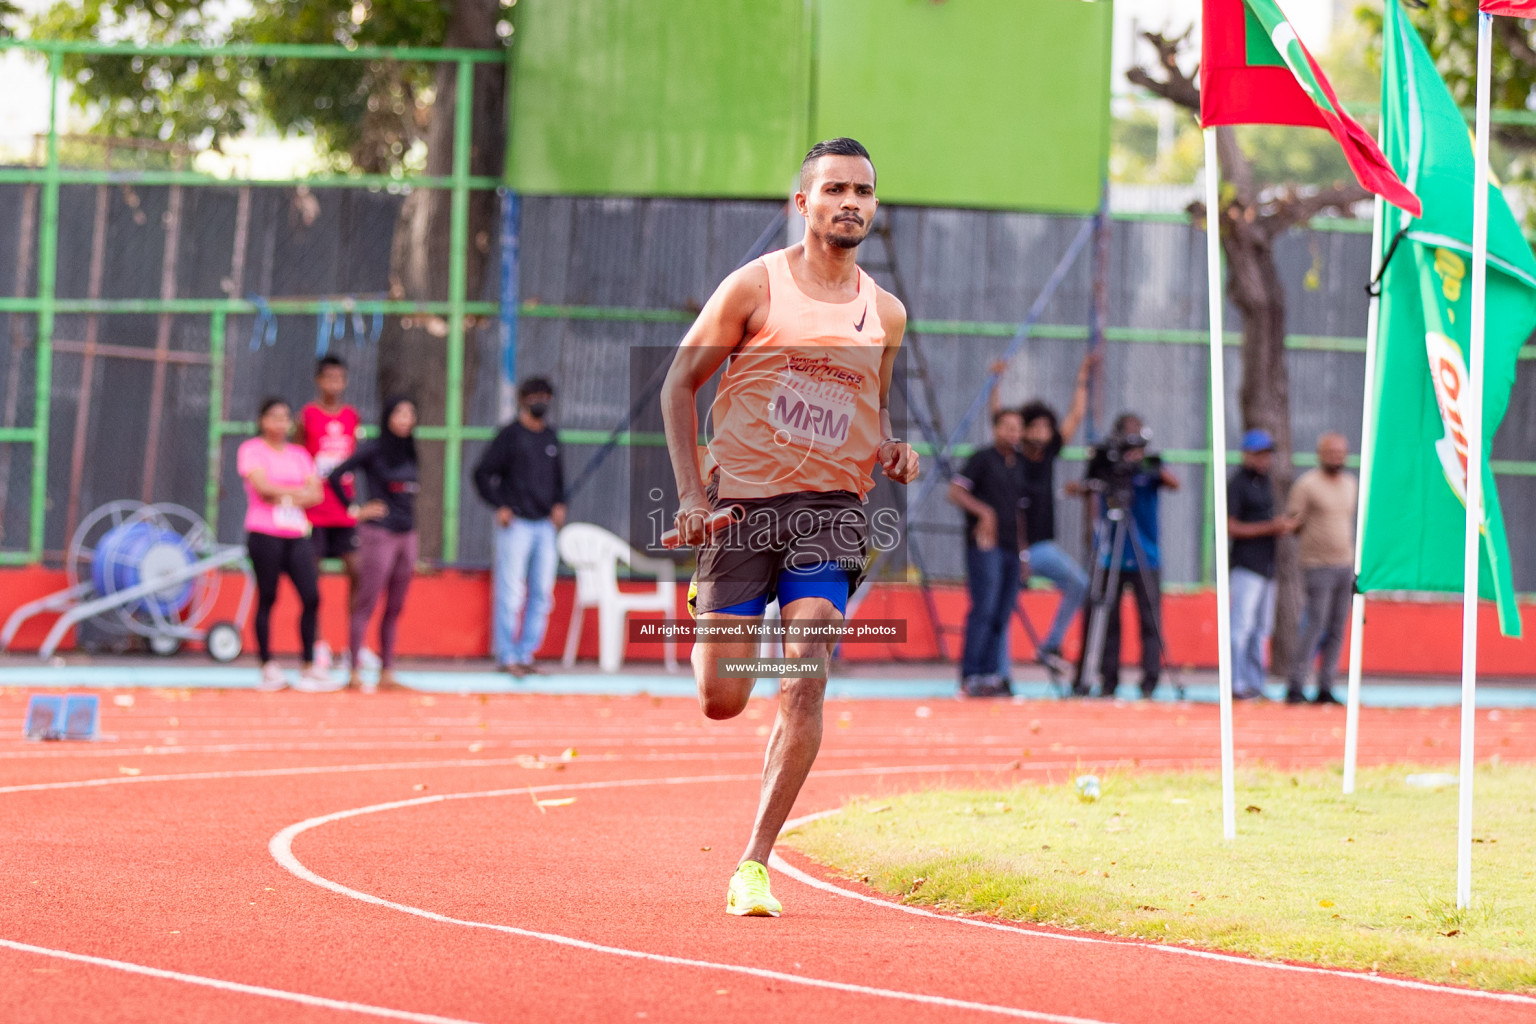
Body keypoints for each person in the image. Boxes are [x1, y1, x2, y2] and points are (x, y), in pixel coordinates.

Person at [660, 138, 918, 917]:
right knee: (721, 698)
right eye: (835, 188)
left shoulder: (887, 314)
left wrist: (893, 450)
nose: (851, 202)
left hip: (830, 514)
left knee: (806, 661)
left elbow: (868, 412)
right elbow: (678, 384)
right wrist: (690, 500)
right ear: (801, 203)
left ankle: (754, 863)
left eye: (864, 191)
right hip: (740, 510)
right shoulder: (755, 287)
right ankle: (718, 617)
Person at [986, 351, 1098, 676]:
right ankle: (1001, 675)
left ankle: (1051, 643)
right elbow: (997, 415)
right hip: (1014, 546)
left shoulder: (1049, 455)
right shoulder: (1013, 455)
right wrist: (996, 383)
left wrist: (1082, 378)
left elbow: (1076, 415)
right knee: (1003, 611)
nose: (1041, 432)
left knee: (1079, 583)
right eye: (1034, 427)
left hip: (1042, 547)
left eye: (1046, 427)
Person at [238, 398, 334, 692]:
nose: (280, 423)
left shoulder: (299, 454)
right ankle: (267, 664)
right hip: (264, 531)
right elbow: (262, 489)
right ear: (262, 421)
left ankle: (308, 664)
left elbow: (317, 493)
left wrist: (287, 497)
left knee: (311, 596)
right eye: (274, 417)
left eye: (285, 417)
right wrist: (296, 492)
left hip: (296, 532)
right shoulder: (251, 450)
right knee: (268, 596)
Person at [474, 378, 567, 676]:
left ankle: (526, 653)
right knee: (511, 591)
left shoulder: (551, 436)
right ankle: (507, 656)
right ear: (522, 399)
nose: (541, 401)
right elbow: (482, 473)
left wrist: (559, 503)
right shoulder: (510, 435)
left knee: (541, 593)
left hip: (544, 527)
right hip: (516, 525)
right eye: (535, 396)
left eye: (545, 396)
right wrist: (499, 505)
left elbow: (558, 478)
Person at [327, 397, 420, 694]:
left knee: (396, 606)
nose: (405, 419)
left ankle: (387, 671)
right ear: (387, 417)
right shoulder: (374, 449)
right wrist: (355, 509)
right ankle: (353, 670)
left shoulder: (411, 452)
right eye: (399, 412)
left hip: (407, 534)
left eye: (410, 413)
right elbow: (335, 475)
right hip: (379, 534)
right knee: (367, 601)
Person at [1086, 413, 1179, 699]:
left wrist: (1141, 464)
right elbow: (1087, 484)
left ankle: (1150, 682)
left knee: (1150, 621)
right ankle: (1107, 680)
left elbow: (1173, 482)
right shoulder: (1106, 464)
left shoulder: (1150, 464)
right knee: (1109, 621)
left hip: (1146, 557)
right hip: (1111, 556)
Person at [948, 409, 1027, 697]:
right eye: (1007, 427)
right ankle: (971, 675)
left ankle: (992, 675)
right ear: (995, 429)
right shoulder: (982, 458)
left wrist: (1024, 552)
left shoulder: (1018, 464)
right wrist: (984, 513)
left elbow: (1020, 511)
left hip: (1010, 549)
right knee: (984, 608)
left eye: (1017, 428)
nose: (1012, 433)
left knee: (1002, 613)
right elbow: (954, 492)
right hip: (985, 546)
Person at [293, 355, 363, 671]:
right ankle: (318, 644)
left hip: (344, 511)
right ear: (319, 381)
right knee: (312, 578)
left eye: (340, 378)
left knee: (359, 571)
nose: (334, 384)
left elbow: (354, 460)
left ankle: (354, 646)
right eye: (328, 378)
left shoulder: (352, 416)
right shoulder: (306, 416)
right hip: (314, 511)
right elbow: (296, 458)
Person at [1284, 432, 1357, 705]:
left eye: (1341, 453)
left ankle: (1326, 685)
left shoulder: (1351, 484)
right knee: (1314, 624)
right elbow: (1294, 522)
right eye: (1331, 453)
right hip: (1317, 565)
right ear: (1320, 454)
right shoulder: (1307, 485)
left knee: (1337, 626)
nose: (1337, 457)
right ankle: (1296, 683)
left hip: (1345, 564)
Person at [1227, 428, 1299, 700]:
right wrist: (1271, 527)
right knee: (1241, 627)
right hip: (1247, 566)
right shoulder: (1238, 484)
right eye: (1258, 454)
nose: (1264, 459)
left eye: (1267, 454)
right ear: (1247, 454)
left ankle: (1255, 683)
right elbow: (1230, 526)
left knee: (1260, 629)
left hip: (1267, 567)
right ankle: (1235, 682)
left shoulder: (1266, 482)